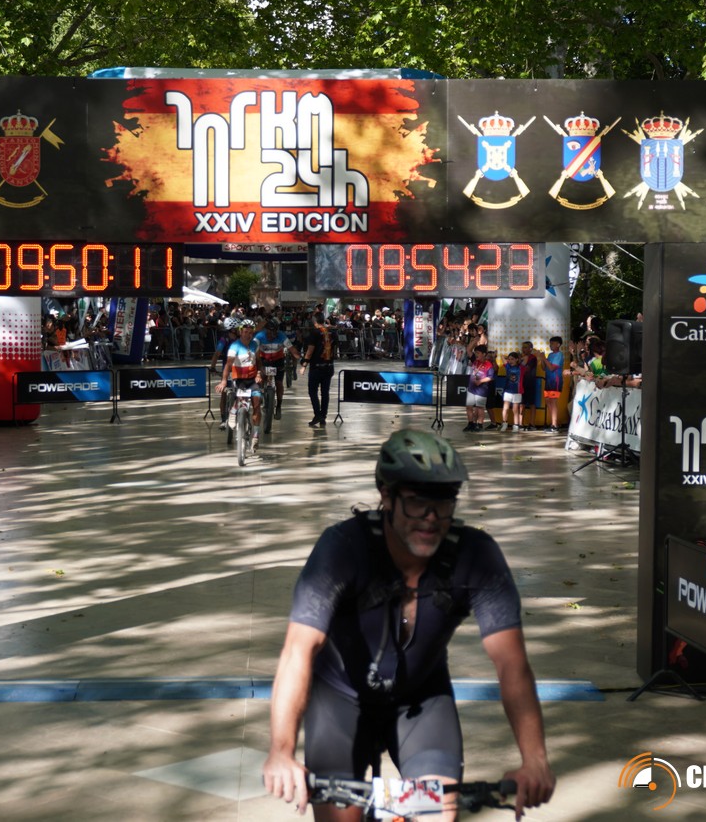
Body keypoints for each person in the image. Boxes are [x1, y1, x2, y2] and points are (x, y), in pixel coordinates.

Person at [262, 430, 554, 820]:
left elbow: (512, 664)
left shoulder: (476, 556)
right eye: (417, 502)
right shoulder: (342, 548)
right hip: (340, 699)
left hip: (422, 700)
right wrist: (281, 752)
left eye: (443, 502)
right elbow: (298, 650)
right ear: (386, 496)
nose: (431, 518)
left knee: (438, 813)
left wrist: (534, 760)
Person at [217, 319, 264, 447]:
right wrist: (223, 381)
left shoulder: (255, 345)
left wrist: (259, 373)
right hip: (239, 380)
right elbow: (228, 365)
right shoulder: (234, 346)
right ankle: (233, 411)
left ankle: (255, 435)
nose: (248, 334)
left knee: (257, 404)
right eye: (245, 332)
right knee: (240, 398)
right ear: (240, 332)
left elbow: (259, 361)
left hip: (252, 380)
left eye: (250, 332)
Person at [255, 316, 294, 421]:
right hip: (264, 360)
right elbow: (252, 347)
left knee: (279, 384)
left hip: (278, 361)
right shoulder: (260, 336)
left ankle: (279, 406)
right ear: (266, 330)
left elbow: (292, 349)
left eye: (275, 331)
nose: (272, 334)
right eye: (270, 331)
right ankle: (261, 394)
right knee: (260, 378)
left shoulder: (281, 335)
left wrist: (300, 360)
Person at [300, 312, 335, 429]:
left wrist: (304, 364)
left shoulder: (314, 333)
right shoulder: (332, 332)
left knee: (312, 391)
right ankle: (323, 416)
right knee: (325, 392)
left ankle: (318, 415)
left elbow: (310, 350)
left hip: (316, 367)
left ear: (314, 321)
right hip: (329, 366)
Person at [464, 345, 494, 432]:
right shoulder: (475, 360)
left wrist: (480, 381)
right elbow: (468, 350)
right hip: (471, 388)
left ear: (484, 354)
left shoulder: (488, 364)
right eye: (475, 353)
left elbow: (490, 377)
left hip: (481, 390)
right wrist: (475, 341)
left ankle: (479, 425)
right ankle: (470, 424)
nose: (476, 354)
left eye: (478, 353)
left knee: (480, 407)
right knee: (469, 406)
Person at [542, 336, 565, 433]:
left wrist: (544, 359)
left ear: (558, 344)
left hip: (555, 381)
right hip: (548, 380)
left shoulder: (559, 355)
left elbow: (552, 368)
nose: (550, 345)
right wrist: (542, 359)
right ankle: (553, 422)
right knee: (548, 401)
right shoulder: (550, 355)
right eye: (550, 343)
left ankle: (554, 425)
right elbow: (544, 368)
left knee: (553, 401)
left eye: (552, 343)